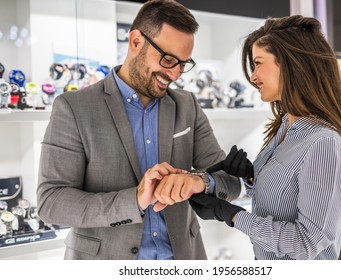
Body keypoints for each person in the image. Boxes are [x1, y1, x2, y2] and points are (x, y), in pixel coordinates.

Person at [37, 0, 241, 260]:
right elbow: (51, 202)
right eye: (168, 59)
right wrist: (134, 200)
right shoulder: (74, 107)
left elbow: (230, 182)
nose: (175, 74)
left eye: (183, 63)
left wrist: (198, 181)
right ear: (135, 42)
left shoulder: (187, 105)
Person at [189, 15, 341, 260]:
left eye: (258, 63)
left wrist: (232, 215)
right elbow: (284, 201)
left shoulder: (324, 143)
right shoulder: (284, 128)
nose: (253, 77)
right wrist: (252, 177)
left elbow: (306, 243)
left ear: (292, 64)